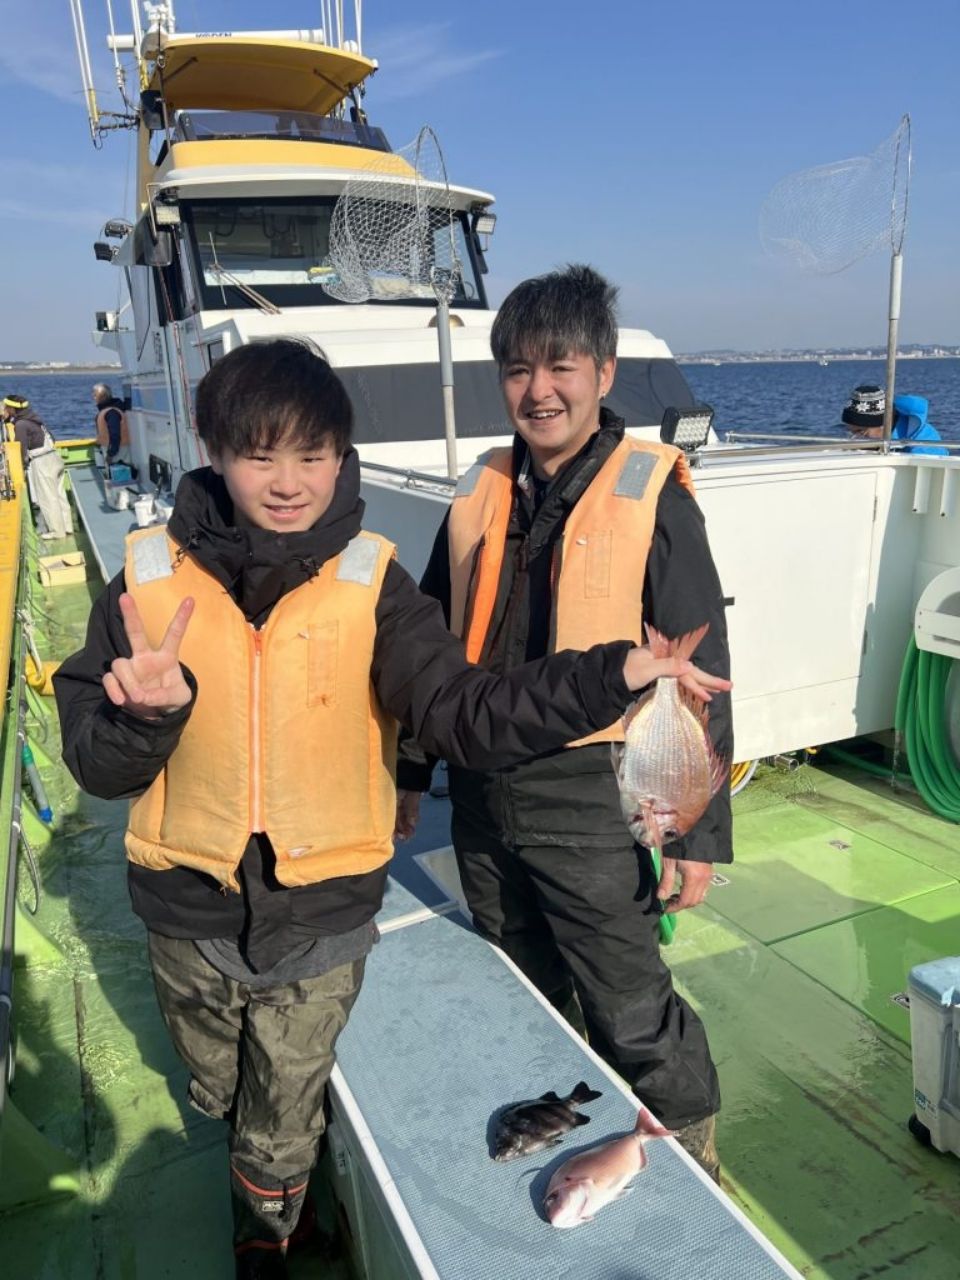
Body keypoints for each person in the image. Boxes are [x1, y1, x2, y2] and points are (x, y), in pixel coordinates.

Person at [53, 338, 729, 1279]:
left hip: (321, 915)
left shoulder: (379, 587)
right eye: (259, 454)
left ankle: (270, 1235)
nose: (288, 482)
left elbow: (468, 713)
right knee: (218, 1089)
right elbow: (94, 763)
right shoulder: (144, 580)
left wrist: (610, 672)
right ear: (212, 450)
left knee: (281, 1106)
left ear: (341, 456)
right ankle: (275, 1178)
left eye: (312, 455)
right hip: (185, 908)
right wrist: (149, 716)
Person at [395, 264, 733, 1181]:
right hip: (479, 787)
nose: (537, 391)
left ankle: (696, 1160)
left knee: (629, 999)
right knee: (524, 975)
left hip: (590, 792)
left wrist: (695, 830)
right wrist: (410, 773)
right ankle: (566, 1120)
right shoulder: (480, 488)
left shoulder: (650, 490)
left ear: (604, 373)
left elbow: (700, 677)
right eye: (517, 370)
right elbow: (429, 642)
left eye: (560, 367)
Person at [2, 393, 73, 539]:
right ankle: (67, 527)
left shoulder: (21, 425)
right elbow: (51, 438)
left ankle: (56, 531)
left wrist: (20, 466)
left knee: (48, 498)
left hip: (42, 462)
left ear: (12, 409)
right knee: (59, 496)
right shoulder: (35, 419)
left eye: (8, 407)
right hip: (55, 457)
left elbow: (21, 449)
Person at [841, 384, 948, 456]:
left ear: (883, 425)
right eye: (851, 432)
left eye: (860, 432)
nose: (855, 438)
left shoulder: (924, 446)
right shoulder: (880, 436)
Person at [92, 382, 131, 471]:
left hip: (117, 451)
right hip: (112, 449)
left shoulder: (111, 413)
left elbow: (115, 435)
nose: (93, 398)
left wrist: (111, 454)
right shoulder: (108, 410)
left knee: (119, 475)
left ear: (103, 397)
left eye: (95, 395)